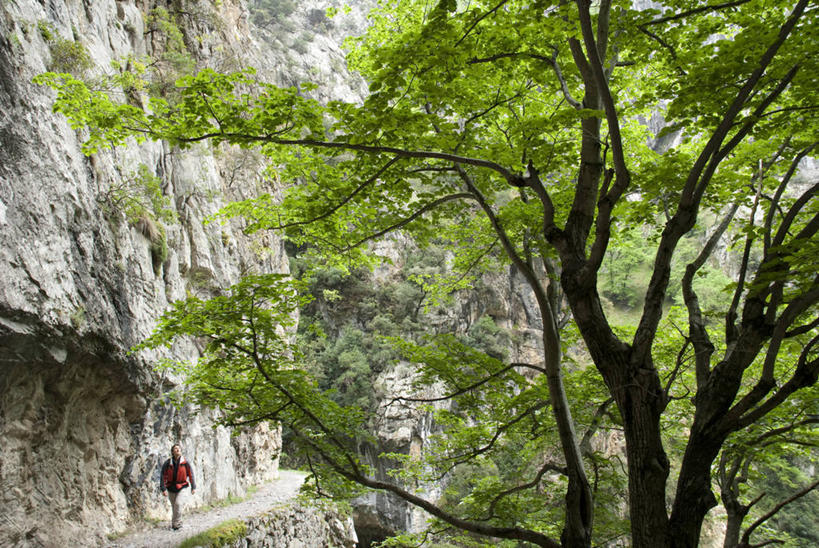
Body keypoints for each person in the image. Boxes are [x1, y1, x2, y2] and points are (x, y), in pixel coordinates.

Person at [159, 444, 196, 530]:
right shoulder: (168, 463)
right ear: (172, 452)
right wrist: (163, 488)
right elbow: (163, 475)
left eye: (179, 448)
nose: (177, 450)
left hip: (182, 486)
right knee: (174, 507)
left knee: (178, 504)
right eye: (175, 449)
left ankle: (177, 524)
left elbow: (191, 474)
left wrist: (193, 486)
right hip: (171, 487)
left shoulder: (185, 463)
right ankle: (175, 524)